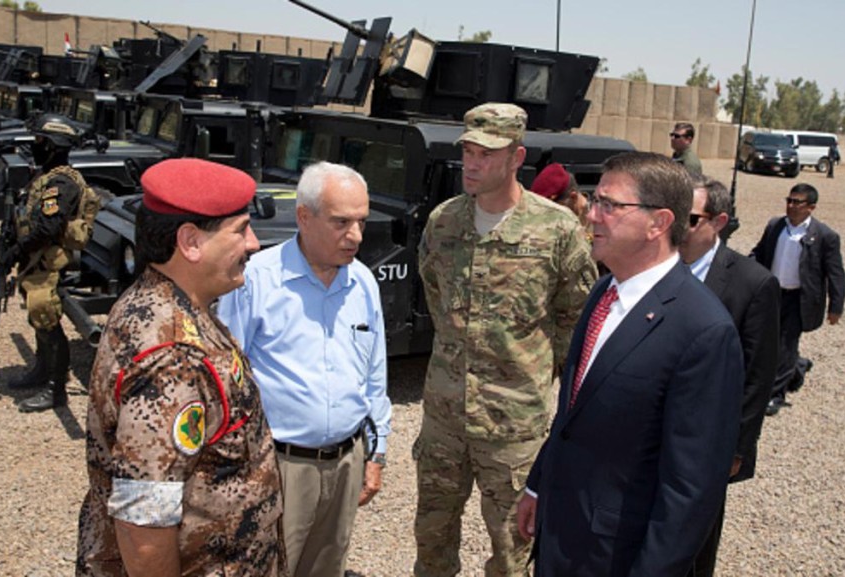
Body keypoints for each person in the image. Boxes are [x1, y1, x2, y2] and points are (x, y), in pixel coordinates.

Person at [517, 152, 744, 577]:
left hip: (617, 556)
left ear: (658, 223)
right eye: (593, 199)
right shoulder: (603, 294)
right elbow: (573, 412)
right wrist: (538, 485)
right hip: (561, 537)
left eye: (610, 205)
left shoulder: (703, 330)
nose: (592, 216)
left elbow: (691, 490)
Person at [77, 158, 286, 576]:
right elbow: (144, 522)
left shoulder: (172, 305)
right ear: (190, 242)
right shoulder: (172, 358)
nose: (254, 243)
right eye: (240, 229)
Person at [415, 102, 597, 577]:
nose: (472, 164)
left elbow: (574, 319)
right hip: (444, 420)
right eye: (469, 151)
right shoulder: (444, 222)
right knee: (431, 543)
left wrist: (529, 372)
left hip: (514, 427)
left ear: (517, 157)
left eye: (487, 154)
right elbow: (436, 298)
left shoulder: (557, 230)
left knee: (513, 552)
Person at [217, 161, 392, 577]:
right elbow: (225, 379)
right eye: (341, 222)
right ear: (304, 217)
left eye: (362, 222)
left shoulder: (363, 282)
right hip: (278, 467)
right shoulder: (256, 281)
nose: (355, 236)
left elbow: (374, 374)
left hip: (347, 464)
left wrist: (377, 451)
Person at [679, 175, 780, 577]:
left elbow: (758, 375)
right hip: (650, 433)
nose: (676, 230)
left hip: (706, 443)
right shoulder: (652, 268)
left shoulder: (752, 284)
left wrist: (736, 447)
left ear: (718, 222)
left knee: (693, 544)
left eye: (689, 220)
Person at [1, 113, 99, 413]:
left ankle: (56, 390)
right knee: (39, 319)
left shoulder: (61, 183)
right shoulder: (47, 176)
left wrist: (16, 251)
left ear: (54, 145)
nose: (36, 146)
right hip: (37, 262)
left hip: (49, 263)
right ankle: (42, 370)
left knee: (49, 321)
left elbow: (48, 228)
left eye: (41, 141)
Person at [751, 183, 845, 416]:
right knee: (766, 339)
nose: (791, 206)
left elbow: (835, 273)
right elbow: (759, 253)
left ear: (811, 207)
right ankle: (798, 367)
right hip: (773, 294)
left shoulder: (825, 236)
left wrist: (836, 307)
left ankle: (775, 394)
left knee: (785, 345)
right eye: (789, 200)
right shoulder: (775, 227)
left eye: (797, 202)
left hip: (799, 299)